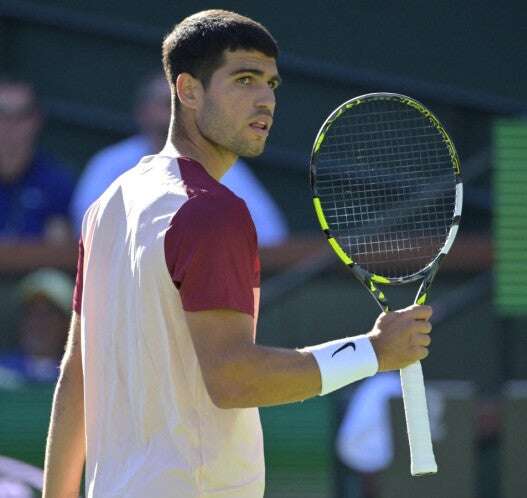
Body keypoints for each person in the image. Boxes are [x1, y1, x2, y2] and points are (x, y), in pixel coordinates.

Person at [42, 10, 433, 498]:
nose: (265, 98)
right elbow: (232, 378)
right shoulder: (212, 212)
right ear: (187, 91)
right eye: (244, 79)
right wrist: (372, 354)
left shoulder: (109, 205)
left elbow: (76, 375)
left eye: (271, 82)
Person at [69, 73, 289, 246]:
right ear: (142, 112)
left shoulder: (224, 165)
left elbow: (271, 233)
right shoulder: (111, 164)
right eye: (168, 103)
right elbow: (88, 226)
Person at [0, 78, 76, 271]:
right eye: (3, 115)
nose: (10, 125)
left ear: (36, 120)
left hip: (27, 287)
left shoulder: (55, 181)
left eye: (21, 116)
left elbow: (58, 253)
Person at [0, 269, 73, 386]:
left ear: (67, 324)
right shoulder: (4, 370)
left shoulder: (79, 377)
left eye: (48, 314)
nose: (38, 323)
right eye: (31, 313)